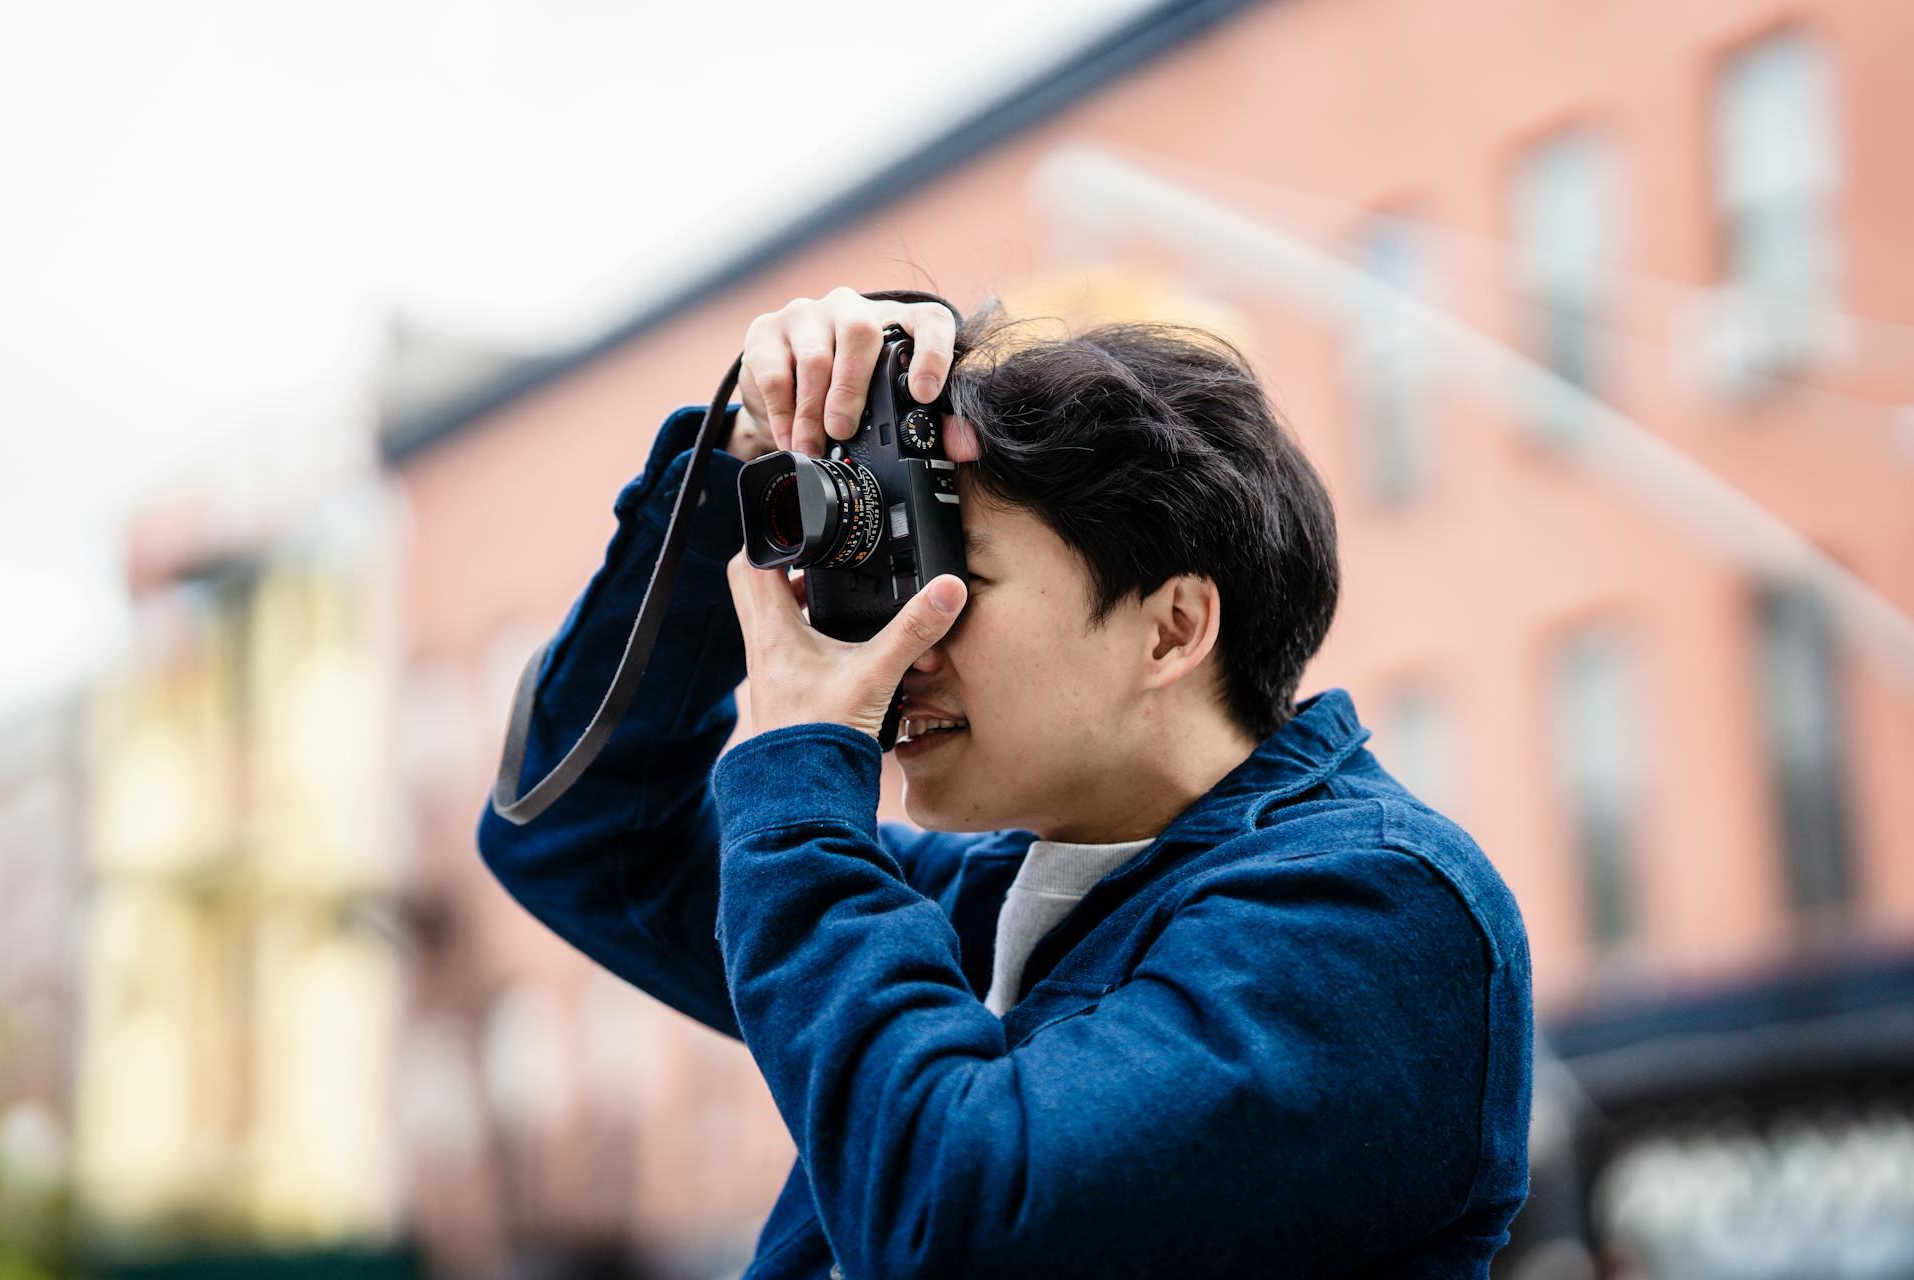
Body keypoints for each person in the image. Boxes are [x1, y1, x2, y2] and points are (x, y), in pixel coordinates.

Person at [478, 286, 1534, 1278]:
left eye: (954, 580)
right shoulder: (988, 906)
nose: (897, 643)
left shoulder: (1382, 912)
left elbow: (962, 1222)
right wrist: (743, 463)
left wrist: (800, 770)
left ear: (1172, 627)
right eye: (892, 576)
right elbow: (580, 832)